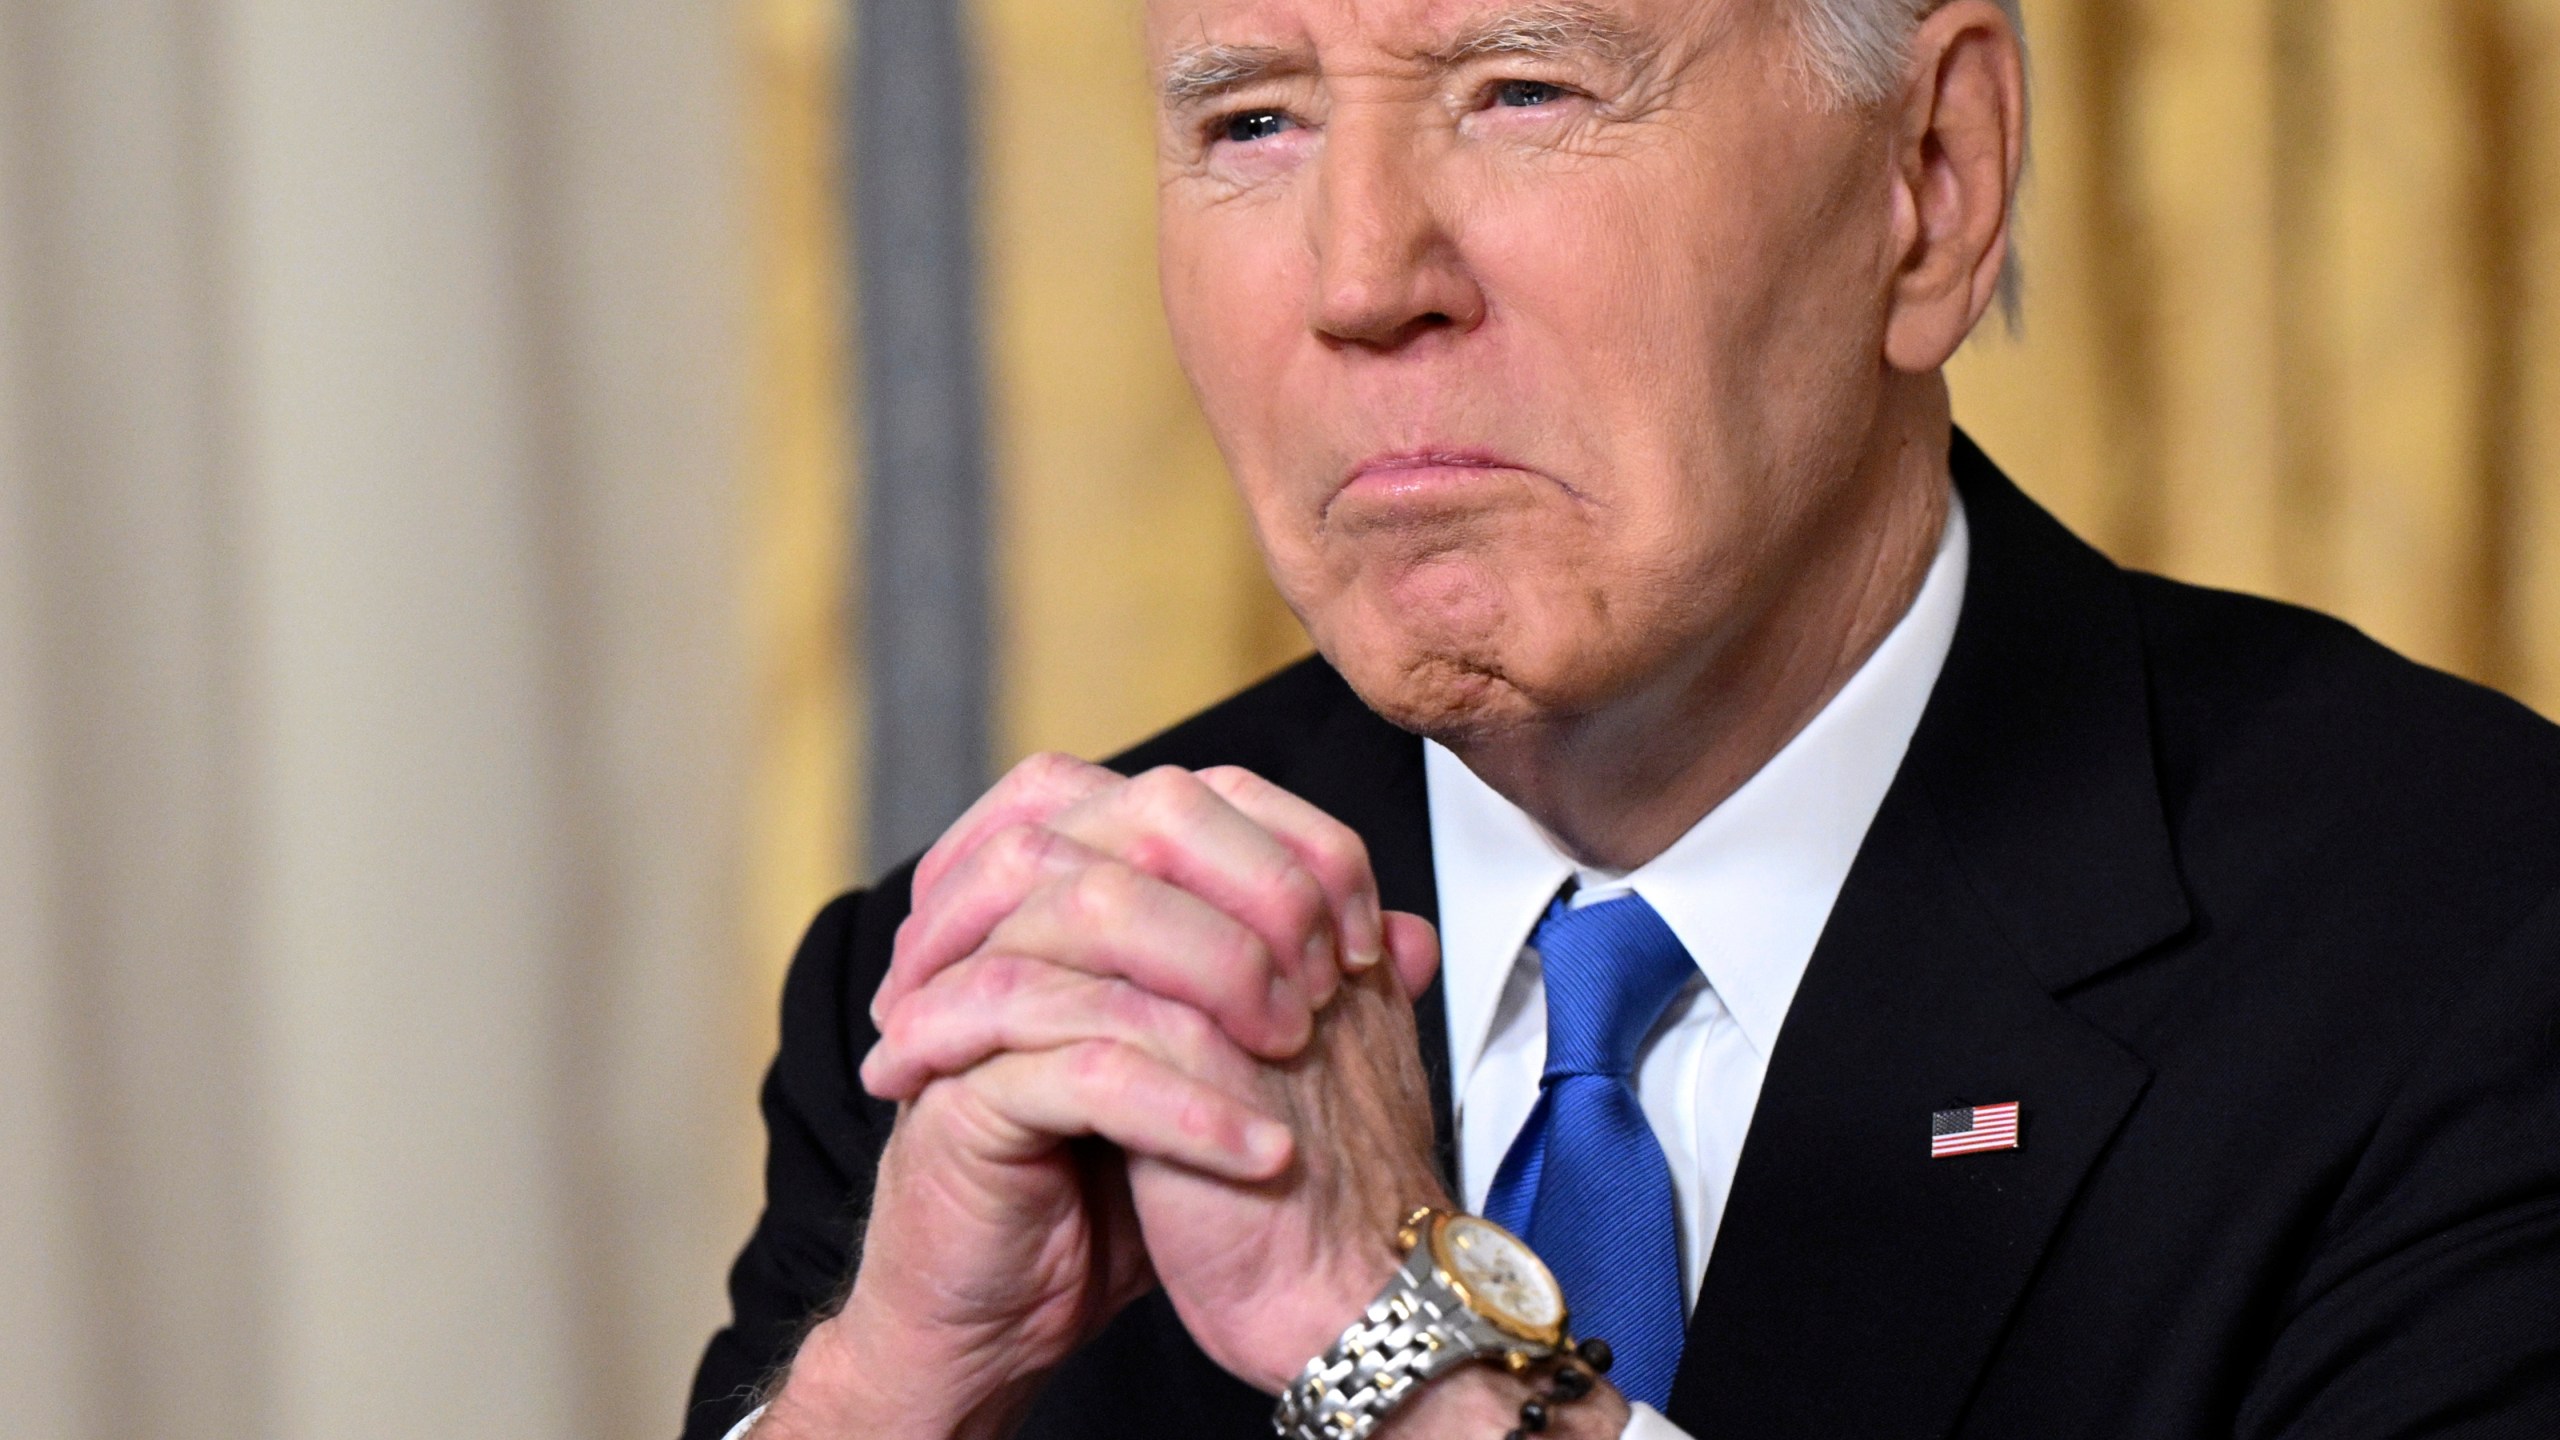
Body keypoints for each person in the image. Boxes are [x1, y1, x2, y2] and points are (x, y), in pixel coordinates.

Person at [685, 0, 2560, 1435]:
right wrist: (886, 1391)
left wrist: (1408, 1349)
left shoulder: (2470, 942)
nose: (1360, 281)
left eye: (1523, 89)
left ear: (1931, 182)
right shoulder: (993, 984)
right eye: (1251, 120)